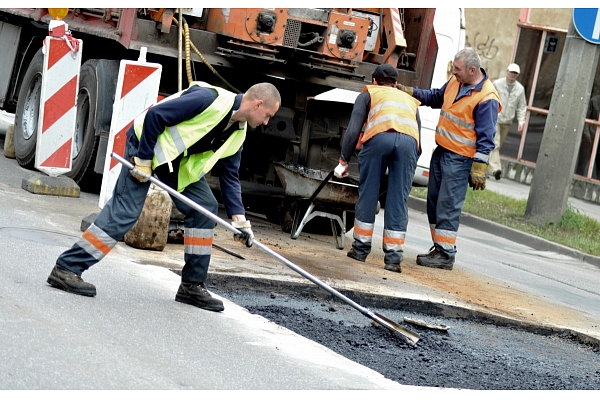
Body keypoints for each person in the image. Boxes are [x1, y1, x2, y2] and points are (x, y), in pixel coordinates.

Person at [46, 81, 281, 312]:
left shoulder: (238, 134)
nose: (266, 122)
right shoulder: (209, 100)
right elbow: (155, 116)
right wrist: (144, 161)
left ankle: (191, 286)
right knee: (125, 213)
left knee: (205, 207)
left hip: (173, 165)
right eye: (268, 115)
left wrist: (240, 222)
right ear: (258, 104)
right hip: (144, 148)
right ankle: (67, 268)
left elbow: (230, 177)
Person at [397, 47, 501, 270]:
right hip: (442, 151)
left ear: (473, 70)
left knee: (448, 205)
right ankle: (439, 247)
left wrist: (479, 167)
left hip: (460, 160)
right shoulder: (456, 83)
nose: (454, 73)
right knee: (434, 203)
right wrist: (411, 92)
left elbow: (487, 136)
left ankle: (445, 254)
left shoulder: (487, 98)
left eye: (458, 69)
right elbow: (436, 97)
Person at [334, 64, 421, 273]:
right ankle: (393, 259)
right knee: (398, 199)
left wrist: (343, 161)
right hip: (409, 144)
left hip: (378, 139)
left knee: (369, 192)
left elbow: (354, 128)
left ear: (374, 81)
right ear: (396, 83)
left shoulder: (369, 94)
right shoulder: (410, 100)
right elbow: (417, 135)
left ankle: (360, 249)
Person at [488, 63, 527, 180]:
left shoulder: (520, 89)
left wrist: (521, 121)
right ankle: (496, 169)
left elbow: (522, 106)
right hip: (496, 118)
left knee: (497, 145)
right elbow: (490, 99)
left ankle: (485, 168)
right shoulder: (497, 84)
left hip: (508, 121)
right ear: (507, 72)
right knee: (495, 143)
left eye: (515, 73)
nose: (513, 75)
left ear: (518, 75)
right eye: (511, 72)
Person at [576, 94, 600, 178]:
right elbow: (585, 120)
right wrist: (587, 135)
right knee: (582, 165)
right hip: (590, 138)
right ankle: (577, 182)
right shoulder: (594, 101)